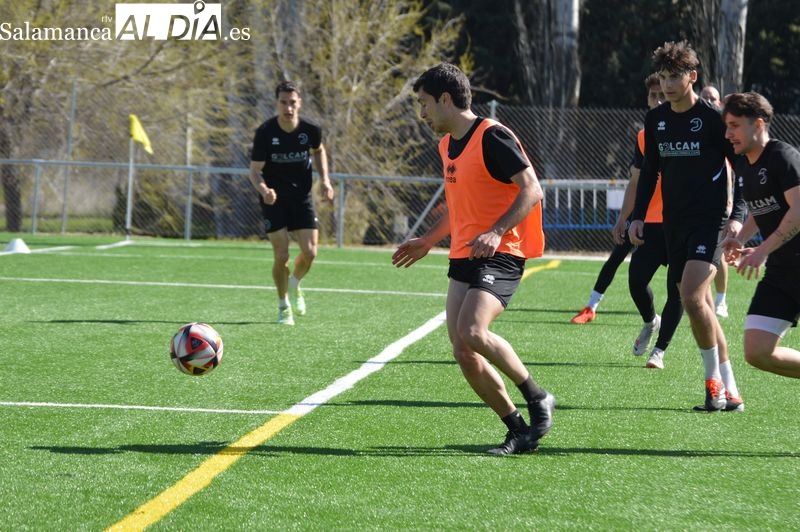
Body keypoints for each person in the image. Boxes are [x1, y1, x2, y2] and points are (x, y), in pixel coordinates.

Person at [392, 63, 555, 455]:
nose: (422, 113)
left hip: (501, 251)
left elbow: (532, 189)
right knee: (462, 350)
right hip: (464, 254)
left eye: (425, 103)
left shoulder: (492, 136)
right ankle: (517, 429)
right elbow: (458, 206)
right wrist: (428, 240)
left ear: (446, 99)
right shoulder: (446, 146)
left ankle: (537, 397)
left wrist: (497, 230)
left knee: (473, 331)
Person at [628, 41, 745, 411]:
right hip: (673, 223)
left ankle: (713, 387)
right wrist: (637, 216)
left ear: (692, 76)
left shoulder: (713, 120)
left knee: (692, 297)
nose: (667, 84)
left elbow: (740, 168)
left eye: (674, 77)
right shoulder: (656, 120)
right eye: (662, 77)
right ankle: (731, 388)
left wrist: (738, 216)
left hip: (709, 222)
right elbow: (650, 172)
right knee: (702, 305)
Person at [721, 91, 800, 379]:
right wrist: (740, 238)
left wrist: (763, 250)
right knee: (757, 350)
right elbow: (761, 208)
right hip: (782, 271)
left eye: (734, 125)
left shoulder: (782, 157)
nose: (728, 134)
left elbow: (798, 210)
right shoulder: (745, 164)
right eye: (726, 126)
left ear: (758, 124)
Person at [249, 80, 335, 326]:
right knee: (282, 254)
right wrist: (264, 190)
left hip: (301, 198)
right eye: (283, 103)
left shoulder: (310, 130)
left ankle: (295, 283)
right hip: (274, 200)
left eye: (293, 103)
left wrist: (325, 180)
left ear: (300, 103)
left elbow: (319, 150)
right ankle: (283, 305)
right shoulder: (265, 133)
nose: (288, 108)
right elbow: (254, 171)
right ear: (277, 103)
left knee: (310, 252)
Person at [700, 84, 731, 318]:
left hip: (721, 203)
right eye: (705, 97)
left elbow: (732, 172)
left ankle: (721, 301)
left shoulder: (726, 132)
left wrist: (731, 206)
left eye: (713, 98)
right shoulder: (698, 126)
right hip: (698, 203)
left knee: (718, 255)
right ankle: (704, 299)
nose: (709, 101)